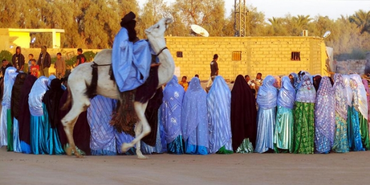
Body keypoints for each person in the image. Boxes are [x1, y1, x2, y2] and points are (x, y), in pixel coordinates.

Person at [112, 11, 152, 92]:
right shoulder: (123, 31)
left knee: (144, 43)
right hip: (122, 56)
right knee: (144, 44)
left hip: (127, 52)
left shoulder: (126, 31)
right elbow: (122, 46)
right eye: (133, 23)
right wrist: (132, 44)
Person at [182, 77, 209, 155]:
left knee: (192, 133)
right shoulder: (203, 93)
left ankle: (192, 148)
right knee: (201, 133)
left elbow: (185, 107)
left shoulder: (188, 94)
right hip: (201, 118)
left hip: (191, 117)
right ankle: (201, 148)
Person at [230, 75, 257, 153]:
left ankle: (239, 146)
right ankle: (248, 147)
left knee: (239, 129)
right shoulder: (248, 91)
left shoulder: (235, 92)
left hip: (238, 117)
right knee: (246, 131)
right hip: (247, 117)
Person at [207, 76, 233, 154]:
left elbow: (209, 101)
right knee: (225, 128)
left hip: (216, 115)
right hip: (225, 114)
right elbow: (229, 101)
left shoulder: (213, 91)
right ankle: (226, 146)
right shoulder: (226, 90)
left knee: (217, 128)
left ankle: (217, 146)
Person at [161, 75, 185, 154]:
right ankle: (179, 147)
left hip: (169, 114)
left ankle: (171, 148)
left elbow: (163, 102)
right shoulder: (181, 88)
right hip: (179, 113)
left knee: (170, 128)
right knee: (178, 129)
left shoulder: (167, 89)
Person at [293, 73, 316, 154]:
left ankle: (301, 147)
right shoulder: (312, 90)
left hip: (301, 116)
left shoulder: (300, 89)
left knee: (302, 127)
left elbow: (297, 104)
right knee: (310, 128)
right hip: (310, 116)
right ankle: (310, 147)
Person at [42, 78, 65, 154]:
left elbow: (44, 101)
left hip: (50, 117)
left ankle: (51, 147)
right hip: (60, 117)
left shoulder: (48, 93)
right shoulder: (62, 93)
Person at [255, 75, 277, 153]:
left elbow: (258, 100)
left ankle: (262, 146)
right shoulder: (274, 90)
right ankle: (270, 145)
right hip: (271, 111)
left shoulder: (261, 89)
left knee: (262, 127)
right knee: (270, 127)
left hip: (262, 112)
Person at [274, 76, 295, 153]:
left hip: (282, 112)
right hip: (290, 113)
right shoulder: (292, 90)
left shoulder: (282, 91)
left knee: (282, 129)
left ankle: (281, 145)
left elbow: (279, 102)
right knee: (288, 129)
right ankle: (288, 145)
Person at [314, 77, 335, 154]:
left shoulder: (320, 94)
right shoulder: (331, 95)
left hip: (320, 117)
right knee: (328, 131)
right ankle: (327, 147)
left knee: (320, 131)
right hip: (329, 118)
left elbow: (317, 106)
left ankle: (321, 147)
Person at [18, 74, 38, 154]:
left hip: (23, 113)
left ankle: (24, 147)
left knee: (24, 130)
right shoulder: (32, 91)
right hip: (29, 114)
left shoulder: (24, 89)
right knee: (28, 130)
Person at [349, 74, 369, 150]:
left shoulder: (360, 89)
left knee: (362, 128)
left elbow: (361, 100)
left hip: (361, 111)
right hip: (359, 111)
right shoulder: (359, 88)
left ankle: (364, 143)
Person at [0, 67, 18, 149]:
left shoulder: (6, 82)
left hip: (8, 106)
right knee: (8, 123)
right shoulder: (6, 83)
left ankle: (8, 140)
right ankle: (7, 141)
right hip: (8, 106)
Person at [332, 74, 349, 153]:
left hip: (337, 111)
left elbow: (335, 99)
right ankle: (343, 145)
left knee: (337, 127)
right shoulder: (343, 87)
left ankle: (337, 145)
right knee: (343, 128)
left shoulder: (335, 87)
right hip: (344, 112)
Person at [10, 72, 28, 153]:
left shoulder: (15, 86)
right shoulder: (26, 86)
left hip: (15, 109)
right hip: (22, 110)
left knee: (16, 128)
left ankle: (15, 145)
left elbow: (13, 99)